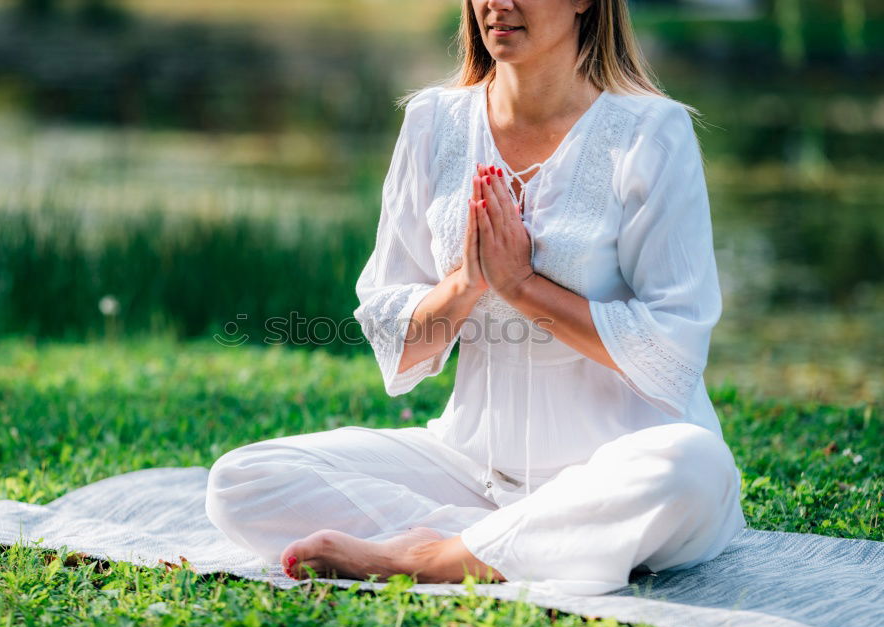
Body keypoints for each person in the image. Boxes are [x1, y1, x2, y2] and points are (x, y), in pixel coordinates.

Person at [205, 0, 747, 595]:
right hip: (469, 469)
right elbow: (396, 335)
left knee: (693, 469)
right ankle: (519, 544)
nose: (498, 4)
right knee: (242, 480)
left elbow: (673, 346)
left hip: (619, 466)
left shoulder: (651, 132)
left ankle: (429, 557)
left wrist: (522, 286)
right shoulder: (434, 122)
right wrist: (467, 284)